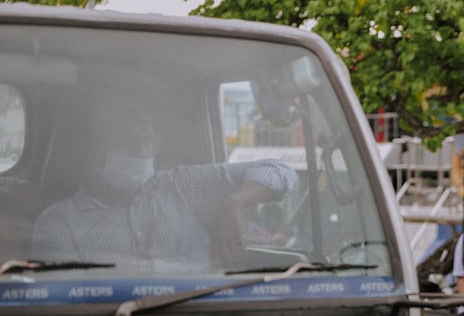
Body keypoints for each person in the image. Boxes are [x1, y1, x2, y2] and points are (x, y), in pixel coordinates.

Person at [31, 93, 298, 272]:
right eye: (126, 140)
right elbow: (72, 311)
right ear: (92, 149)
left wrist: (234, 203)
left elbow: (280, 171)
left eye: (147, 140)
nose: (142, 152)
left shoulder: (180, 185)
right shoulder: (58, 223)